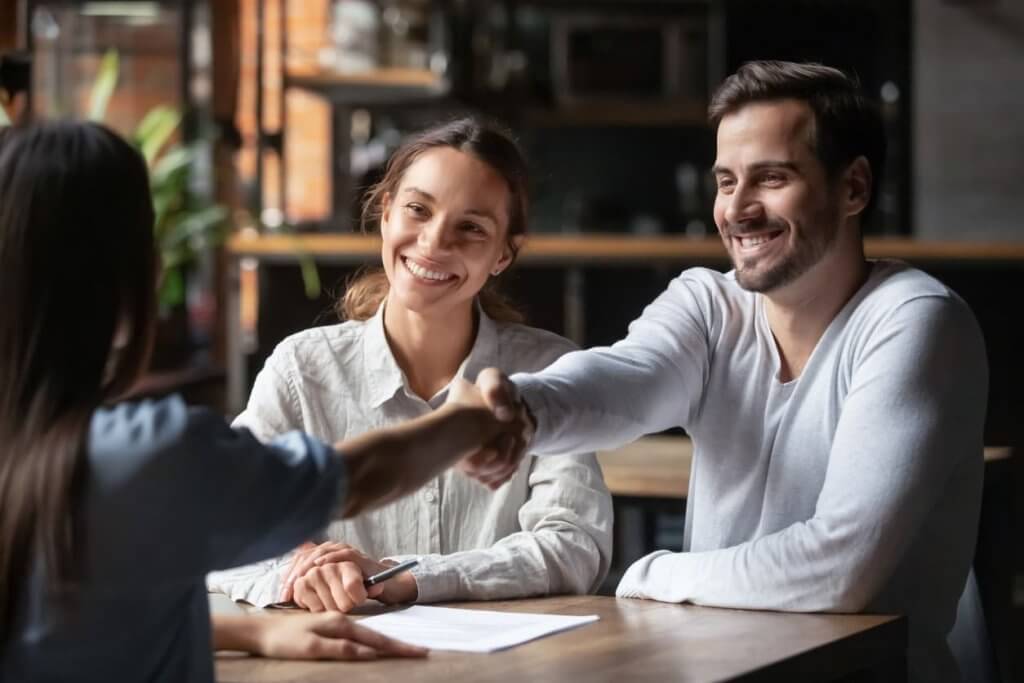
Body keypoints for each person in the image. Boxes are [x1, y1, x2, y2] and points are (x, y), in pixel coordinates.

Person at [465, 61, 988, 683]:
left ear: (853, 188)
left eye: (771, 178)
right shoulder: (709, 304)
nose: (738, 210)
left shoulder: (914, 320)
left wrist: (652, 575)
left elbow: (841, 568)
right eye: (725, 181)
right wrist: (522, 411)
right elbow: (624, 380)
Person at [0, 120, 525, 682]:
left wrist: (253, 630)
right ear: (141, 277)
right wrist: (467, 421)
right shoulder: (149, 456)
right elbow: (359, 474)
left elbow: (88, 617)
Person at [207, 117, 613, 612]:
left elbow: (574, 547)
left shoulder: (548, 370)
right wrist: (300, 569)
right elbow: (220, 530)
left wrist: (402, 576)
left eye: (471, 228)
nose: (434, 242)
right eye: (418, 210)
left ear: (504, 254)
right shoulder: (302, 370)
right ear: (385, 213)